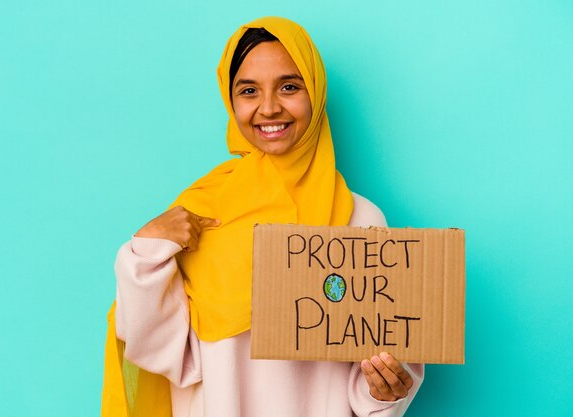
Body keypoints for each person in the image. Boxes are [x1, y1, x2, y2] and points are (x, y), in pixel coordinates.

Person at [102, 16, 423, 417]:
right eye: (249, 90)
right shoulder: (201, 209)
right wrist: (143, 253)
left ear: (316, 92)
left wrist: (383, 389)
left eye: (289, 86)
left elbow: (382, 368)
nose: (269, 108)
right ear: (230, 99)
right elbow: (167, 354)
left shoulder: (361, 219)